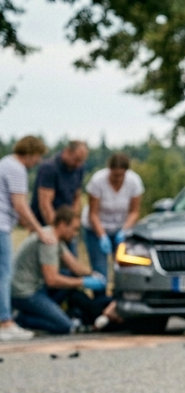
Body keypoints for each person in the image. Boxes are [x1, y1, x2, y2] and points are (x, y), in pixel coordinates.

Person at [11, 207, 118, 335]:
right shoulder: (49, 241)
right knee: (65, 326)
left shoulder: (56, 237)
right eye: (74, 229)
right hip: (24, 292)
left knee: (68, 275)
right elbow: (52, 280)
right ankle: (20, 319)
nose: (75, 233)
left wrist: (93, 275)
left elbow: (74, 266)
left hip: (37, 287)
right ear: (62, 225)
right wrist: (83, 282)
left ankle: (44, 311)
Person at [0, 136, 53, 341]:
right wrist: (39, 230)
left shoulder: (5, 163)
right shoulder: (17, 169)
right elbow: (20, 204)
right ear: (31, 153)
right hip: (1, 226)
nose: (38, 161)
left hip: (5, 223)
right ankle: (5, 321)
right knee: (5, 273)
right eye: (38, 156)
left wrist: (26, 225)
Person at [82, 152, 144, 295]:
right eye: (114, 175)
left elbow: (134, 212)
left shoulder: (134, 182)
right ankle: (100, 302)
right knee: (100, 269)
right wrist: (102, 236)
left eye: (121, 175)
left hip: (121, 228)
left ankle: (121, 300)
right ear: (109, 170)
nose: (117, 179)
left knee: (123, 268)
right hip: (97, 229)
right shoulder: (98, 181)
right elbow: (93, 214)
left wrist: (124, 231)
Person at [31, 140, 89, 227]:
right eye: (76, 159)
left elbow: (76, 197)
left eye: (81, 161)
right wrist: (56, 229)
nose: (78, 164)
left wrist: (72, 223)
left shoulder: (79, 168)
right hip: (44, 223)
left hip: (65, 224)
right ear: (67, 151)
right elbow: (45, 204)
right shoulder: (49, 168)